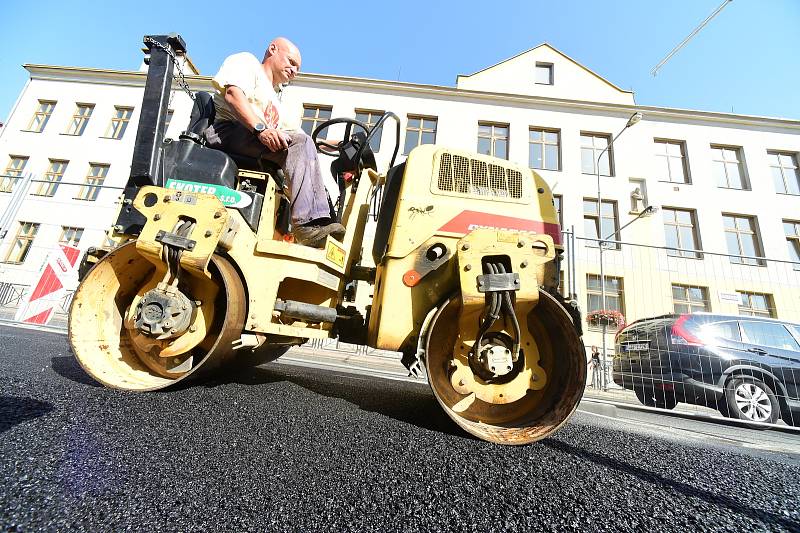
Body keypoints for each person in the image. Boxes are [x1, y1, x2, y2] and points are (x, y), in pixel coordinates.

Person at [204, 37, 344, 248]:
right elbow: (233, 95)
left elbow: (303, 143)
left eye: (297, 68)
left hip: (252, 140)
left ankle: (324, 224)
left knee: (306, 155)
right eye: (291, 61)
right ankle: (307, 225)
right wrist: (260, 129)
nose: (294, 70)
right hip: (228, 131)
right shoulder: (247, 62)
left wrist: (339, 145)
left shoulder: (278, 103)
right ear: (272, 49)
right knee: (299, 144)